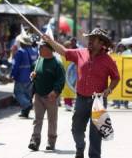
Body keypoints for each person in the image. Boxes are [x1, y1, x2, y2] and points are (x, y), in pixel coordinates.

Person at [42, 28, 120, 158]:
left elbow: (116, 77)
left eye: (93, 39)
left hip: (98, 101)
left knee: (96, 133)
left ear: (101, 43)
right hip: (81, 99)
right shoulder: (80, 53)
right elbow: (64, 51)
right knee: (76, 128)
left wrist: (109, 89)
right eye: (89, 38)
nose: (90, 41)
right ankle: (80, 147)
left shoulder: (108, 60)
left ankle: (94, 156)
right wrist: (51, 42)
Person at [28, 41, 65, 151]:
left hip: (51, 97)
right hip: (38, 95)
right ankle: (35, 141)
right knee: (37, 119)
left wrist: (55, 91)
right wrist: (32, 76)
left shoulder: (57, 64)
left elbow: (61, 80)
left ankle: (51, 142)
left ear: (49, 49)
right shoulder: (38, 61)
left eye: (41, 47)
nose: (39, 49)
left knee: (52, 120)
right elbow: (33, 74)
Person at [11, 31, 38, 118]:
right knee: (27, 94)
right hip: (31, 77)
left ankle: (26, 105)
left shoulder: (20, 52)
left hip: (21, 76)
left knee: (18, 92)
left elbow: (15, 65)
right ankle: (25, 112)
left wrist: (13, 75)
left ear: (23, 43)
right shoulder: (34, 51)